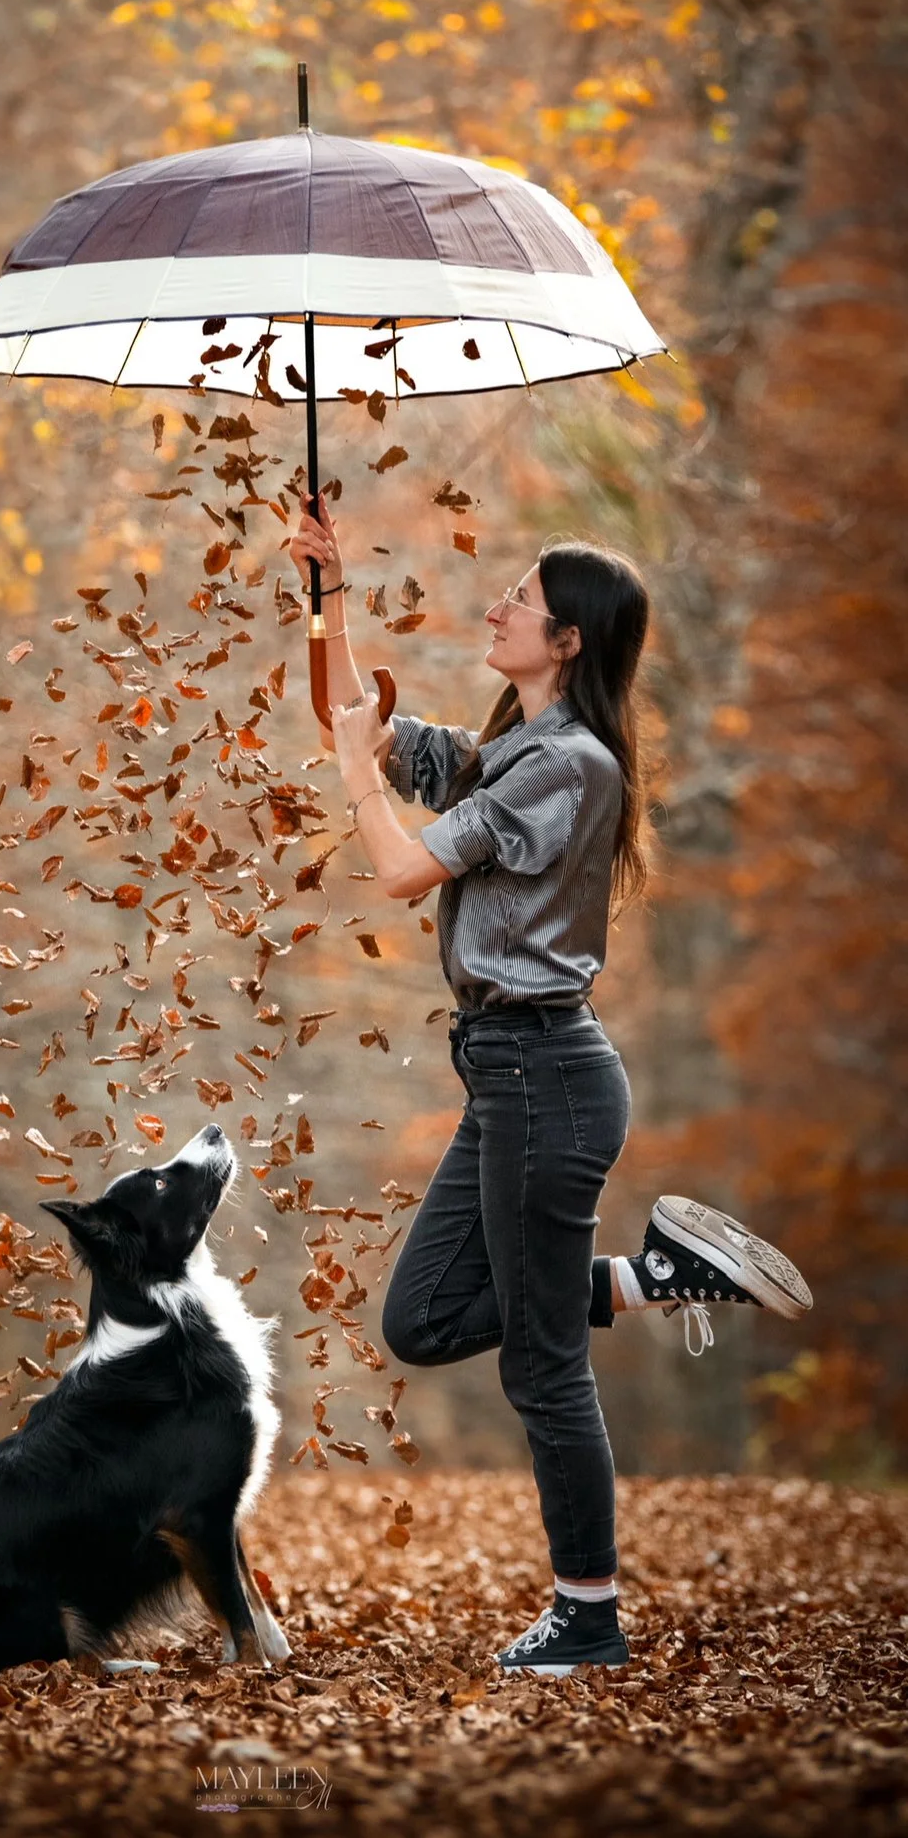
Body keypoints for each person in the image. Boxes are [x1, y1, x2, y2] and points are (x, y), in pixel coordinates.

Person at [287, 493, 813, 1678]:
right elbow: (352, 716)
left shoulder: (565, 768)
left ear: (569, 640)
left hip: (547, 1075)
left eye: (521, 598)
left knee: (538, 1361)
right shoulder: (503, 752)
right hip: (509, 1076)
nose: (499, 603)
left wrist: (351, 778)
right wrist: (327, 587)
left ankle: (589, 1613)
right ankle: (653, 1275)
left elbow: (394, 872)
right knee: (420, 1318)